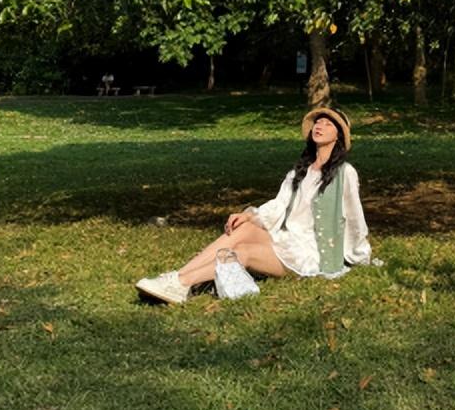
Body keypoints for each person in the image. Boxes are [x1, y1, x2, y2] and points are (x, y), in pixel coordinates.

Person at [135, 107, 371, 304]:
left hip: (309, 252)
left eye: (328, 124)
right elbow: (279, 206)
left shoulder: (345, 174)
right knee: (242, 230)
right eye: (317, 122)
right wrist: (250, 216)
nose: (319, 126)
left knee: (244, 253)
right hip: (286, 237)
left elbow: (354, 216)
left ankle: (183, 284)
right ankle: (177, 277)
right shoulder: (299, 172)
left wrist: (359, 254)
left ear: (339, 136)